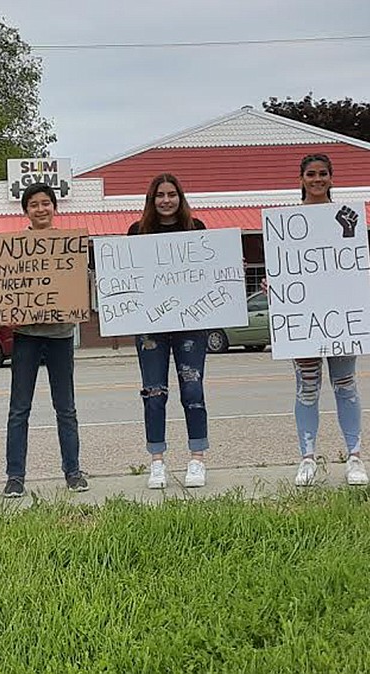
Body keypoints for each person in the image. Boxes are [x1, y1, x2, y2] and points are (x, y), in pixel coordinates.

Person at [283, 154, 370, 487]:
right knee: (307, 389)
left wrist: (365, 281)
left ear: (332, 178)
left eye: (323, 174)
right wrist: (274, 284)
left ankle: (355, 457)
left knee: (346, 386)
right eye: (310, 174)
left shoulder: (347, 218)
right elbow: (285, 268)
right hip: (304, 320)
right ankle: (307, 458)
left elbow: (352, 262)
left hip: (342, 318)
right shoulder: (287, 221)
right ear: (301, 178)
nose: (317, 179)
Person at [3, 183, 88, 498]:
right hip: (25, 337)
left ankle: (73, 471)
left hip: (60, 336)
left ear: (55, 208)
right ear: (26, 211)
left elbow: (81, 283)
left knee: (65, 408)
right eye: (34, 205)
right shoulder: (13, 248)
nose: (40, 209)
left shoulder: (69, 245)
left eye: (45, 203)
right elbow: (3, 290)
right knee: (18, 409)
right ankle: (15, 476)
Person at [127, 174, 210, 489]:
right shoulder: (137, 232)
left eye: (171, 194)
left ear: (180, 197)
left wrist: (229, 271)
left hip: (191, 325)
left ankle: (197, 458)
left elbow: (210, 272)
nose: (165, 200)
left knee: (192, 390)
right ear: (151, 199)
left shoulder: (196, 230)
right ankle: (157, 462)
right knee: (154, 393)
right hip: (150, 328)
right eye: (159, 195)